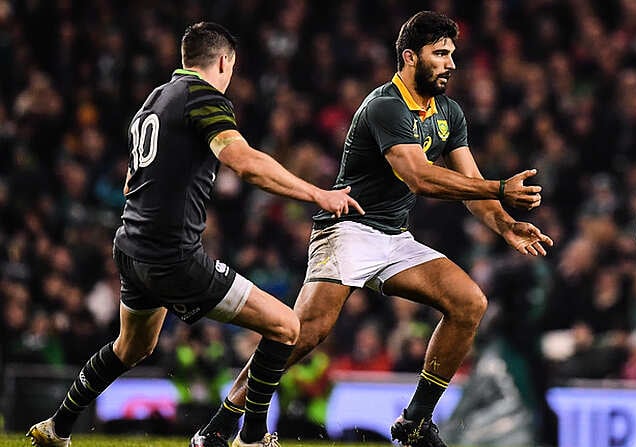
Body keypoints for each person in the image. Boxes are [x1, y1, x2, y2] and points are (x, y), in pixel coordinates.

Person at [192, 11, 553, 447]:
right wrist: (499, 186)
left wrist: (506, 224)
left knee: (469, 302)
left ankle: (415, 420)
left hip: (394, 237)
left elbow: (470, 188)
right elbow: (419, 176)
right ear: (409, 57)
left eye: (452, 54)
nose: (451, 63)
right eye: (440, 53)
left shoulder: (449, 113)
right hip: (346, 229)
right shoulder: (386, 105)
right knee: (304, 334)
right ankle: (223, 420)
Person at [26, 22, 362, 447]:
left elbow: (133, 180)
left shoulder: (153, 102)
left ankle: (57, 427)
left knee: (131, 348)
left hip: (131, 247)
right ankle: (250, 438)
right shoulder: (203, 97)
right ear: (224, 61)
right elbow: (242, 161)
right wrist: (317, 193)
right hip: (172, 256)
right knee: (285, 326)